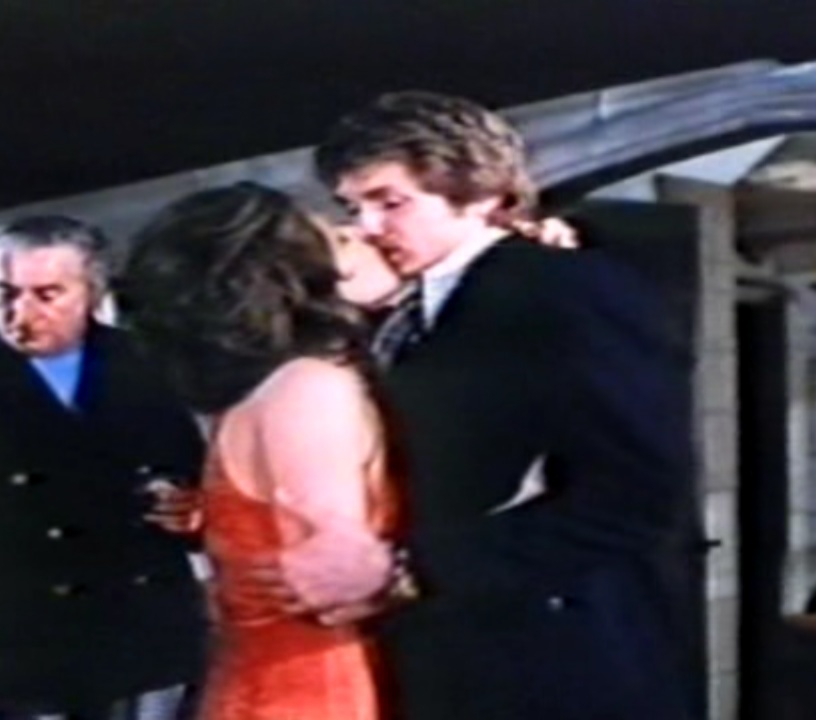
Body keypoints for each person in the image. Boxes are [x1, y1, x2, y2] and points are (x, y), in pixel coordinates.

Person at [257, 90, 696, 719]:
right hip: (461, 652)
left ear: (480, 194)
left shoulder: (564, 293)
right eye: (354, 207)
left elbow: (638, 497)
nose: (370, 227)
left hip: (556, 666)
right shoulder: (421, 307)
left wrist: (410, 571)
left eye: (391, 202)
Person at [0, 215, 208, 719]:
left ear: (91, 291)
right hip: (14, 646)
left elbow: (194, 474)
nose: (22, 313)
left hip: (144, 639)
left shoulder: (149, 359)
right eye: (5, 293)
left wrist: (197, 511)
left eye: (48, 294)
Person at [116, 182, 399, 720]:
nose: (360, 236)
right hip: (314, 688)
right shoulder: (307, 388)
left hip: (264, 682)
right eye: (335, 237)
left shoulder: (257, 396)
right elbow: (333, 579)